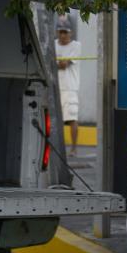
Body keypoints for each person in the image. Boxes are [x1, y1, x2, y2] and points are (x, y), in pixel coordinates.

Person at [54, 18, 81, 157]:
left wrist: (55, 62)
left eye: (66, 32)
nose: (63, 35)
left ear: (70, 33)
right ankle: (58, 147)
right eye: (61, 32)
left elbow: (64, 64)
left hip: (70, 88)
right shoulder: (53, 45)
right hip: (55, 85)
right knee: (55, 119)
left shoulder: (76, 46)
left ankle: (74, 148)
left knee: (72, 119)